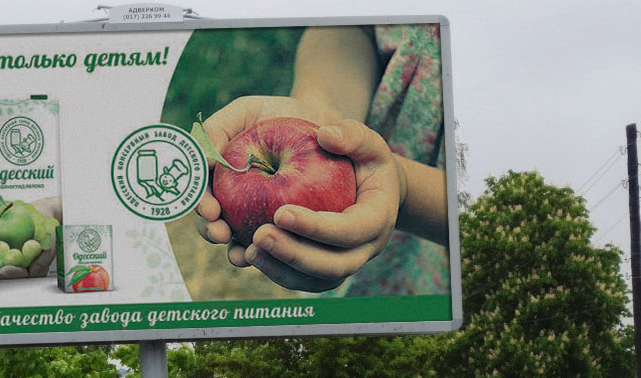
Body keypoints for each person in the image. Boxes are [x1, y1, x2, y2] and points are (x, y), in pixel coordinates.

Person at [176, 23, 451, 297]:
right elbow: (351, 26)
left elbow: (488, 203)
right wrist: (320, 107)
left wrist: (401, 189)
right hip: (343, 222)